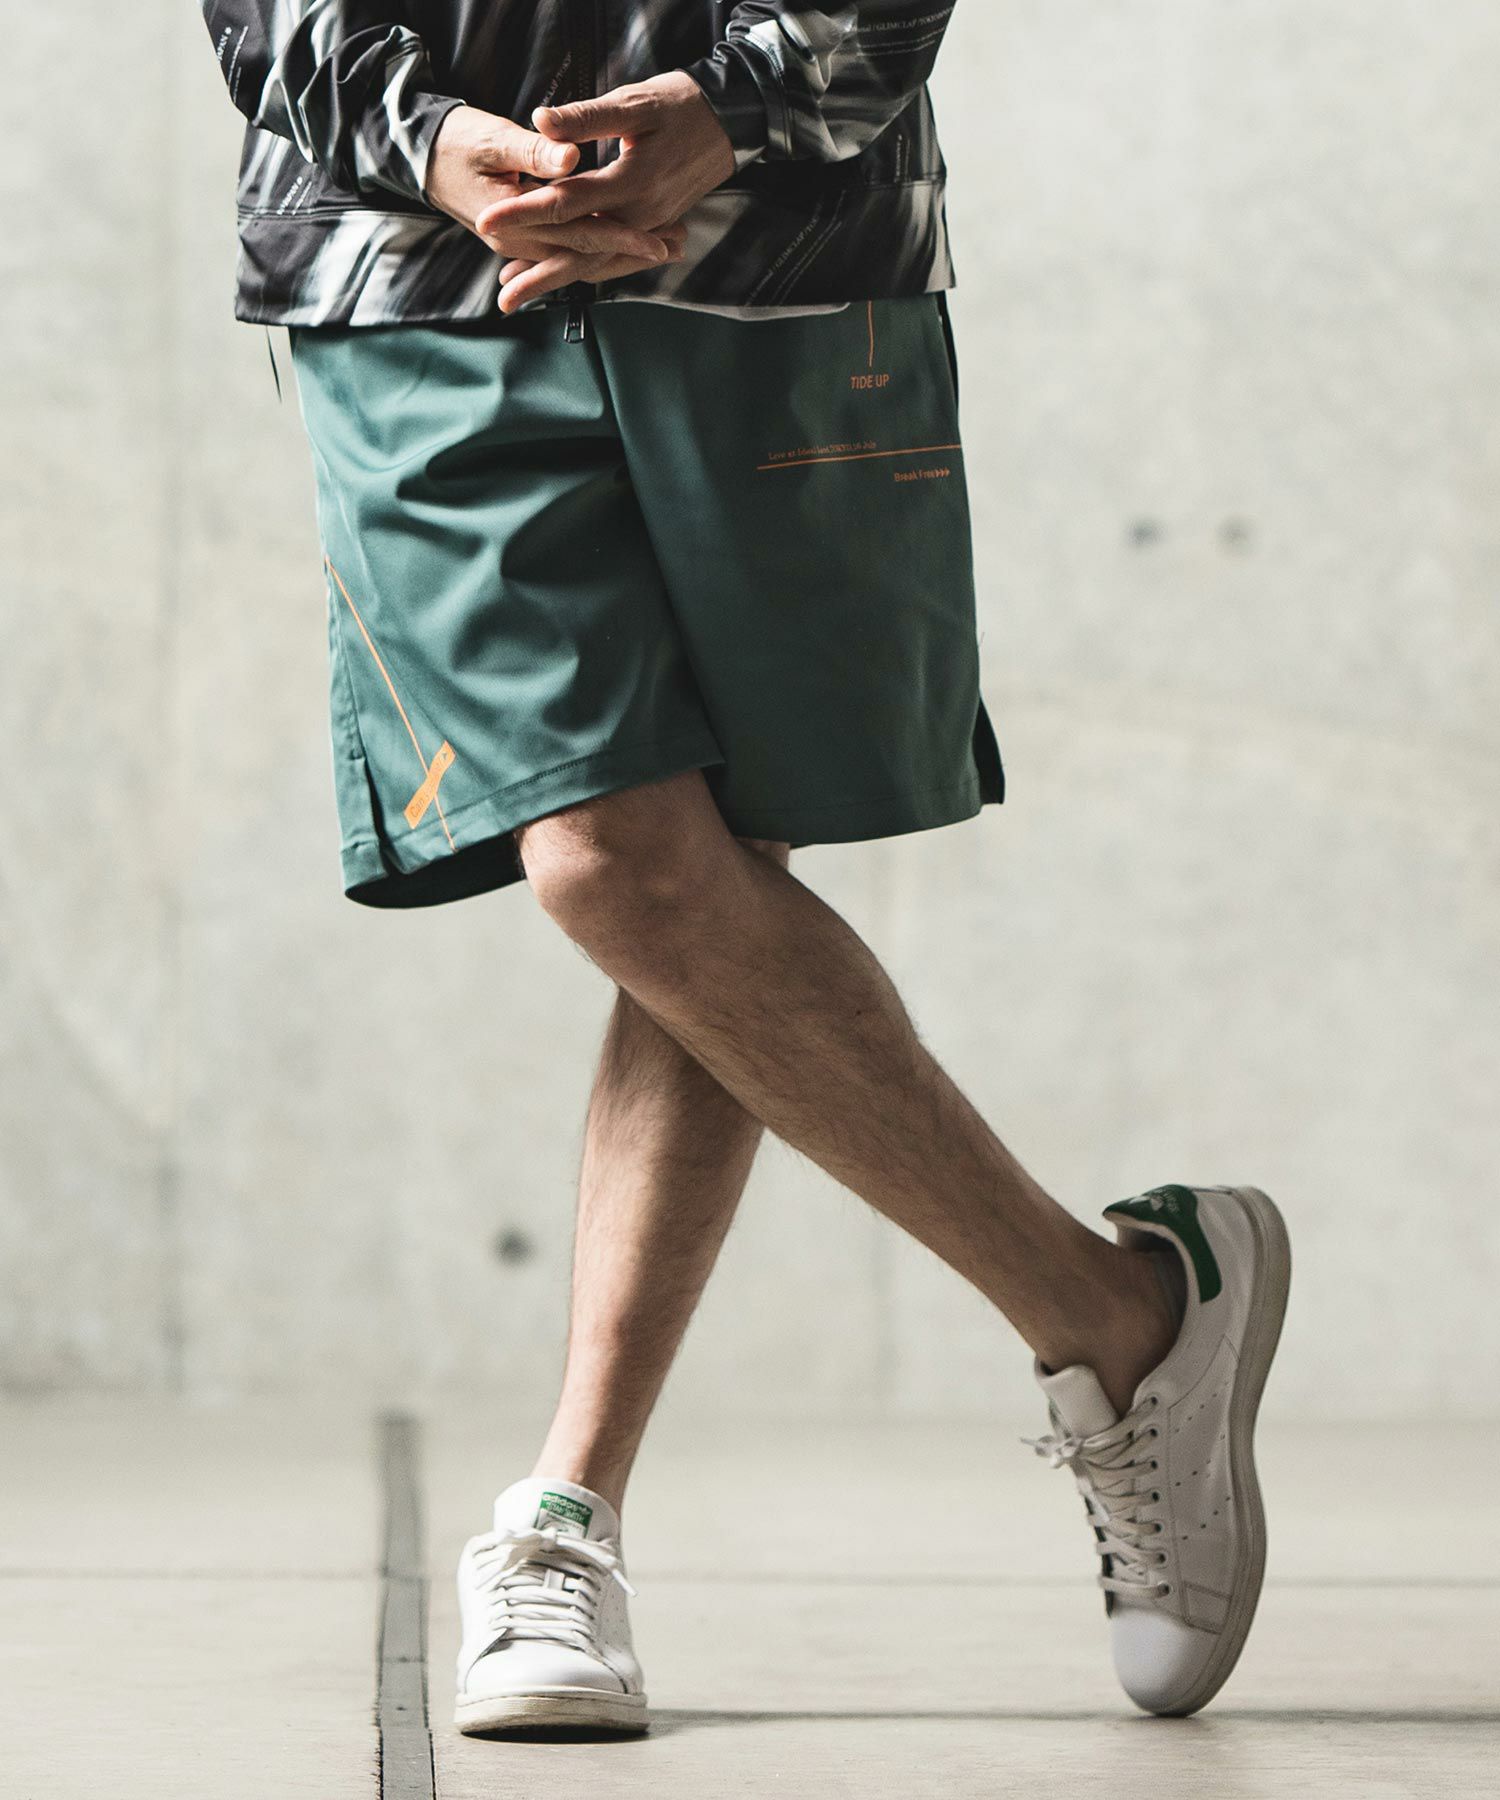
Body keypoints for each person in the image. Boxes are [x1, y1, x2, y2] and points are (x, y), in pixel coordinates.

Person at [200, 0, 1291, 1737]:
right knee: (607, 856)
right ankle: (1115, 1312)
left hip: (784, 250)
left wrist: (744, 100)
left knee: (702, 856)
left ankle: (569, 1513)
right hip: (407, 263)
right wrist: (430, 141)